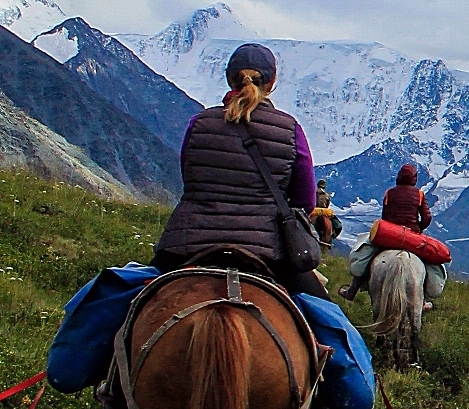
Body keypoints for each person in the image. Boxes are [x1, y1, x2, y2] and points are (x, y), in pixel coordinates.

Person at [152, 43, 327, 299]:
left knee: (124, 300)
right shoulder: (289, 129)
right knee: (330, 319)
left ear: (229, 79)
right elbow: (305, 201)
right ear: (273, 81)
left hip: (188, 243)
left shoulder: (199, 123)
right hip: (267, 250)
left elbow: (189, 179)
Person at [338, 163, 431, 301]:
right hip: (412, 236)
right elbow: (427, 217)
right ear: (414, 179)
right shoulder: (419, 194)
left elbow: (384, 217)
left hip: (391, 235)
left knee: (366, 255)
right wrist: (418, 229)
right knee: (428, 260)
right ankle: (425, 298)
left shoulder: (390, 193)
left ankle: (352, 291)